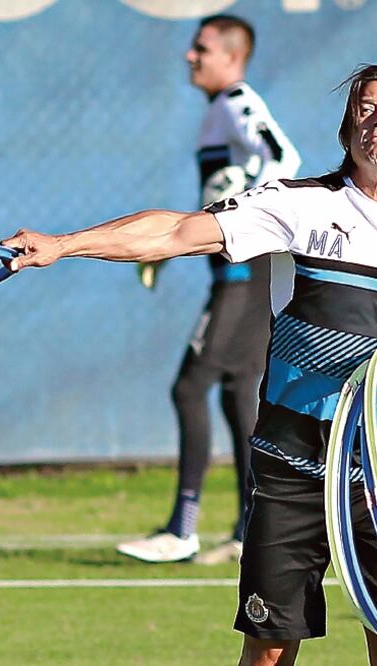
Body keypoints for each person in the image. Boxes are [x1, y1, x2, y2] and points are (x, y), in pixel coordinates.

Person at [2, 64, 377, 666]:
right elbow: (173, 232)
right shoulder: (298, 205)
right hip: (291, 463)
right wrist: (63, 245)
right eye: (365, 108)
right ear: (348, 128)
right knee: (269, 651)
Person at [119, 14, 301, 565]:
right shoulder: (218, 110)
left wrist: (238, 215)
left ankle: (182, 527)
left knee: (189, 386)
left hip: (245, 274)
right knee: (235, 393)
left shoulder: (237, 101)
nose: (189, 56)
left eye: (200, 48)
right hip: (239, 272)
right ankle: (254, 528)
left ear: (230, 56)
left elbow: (283, 159)